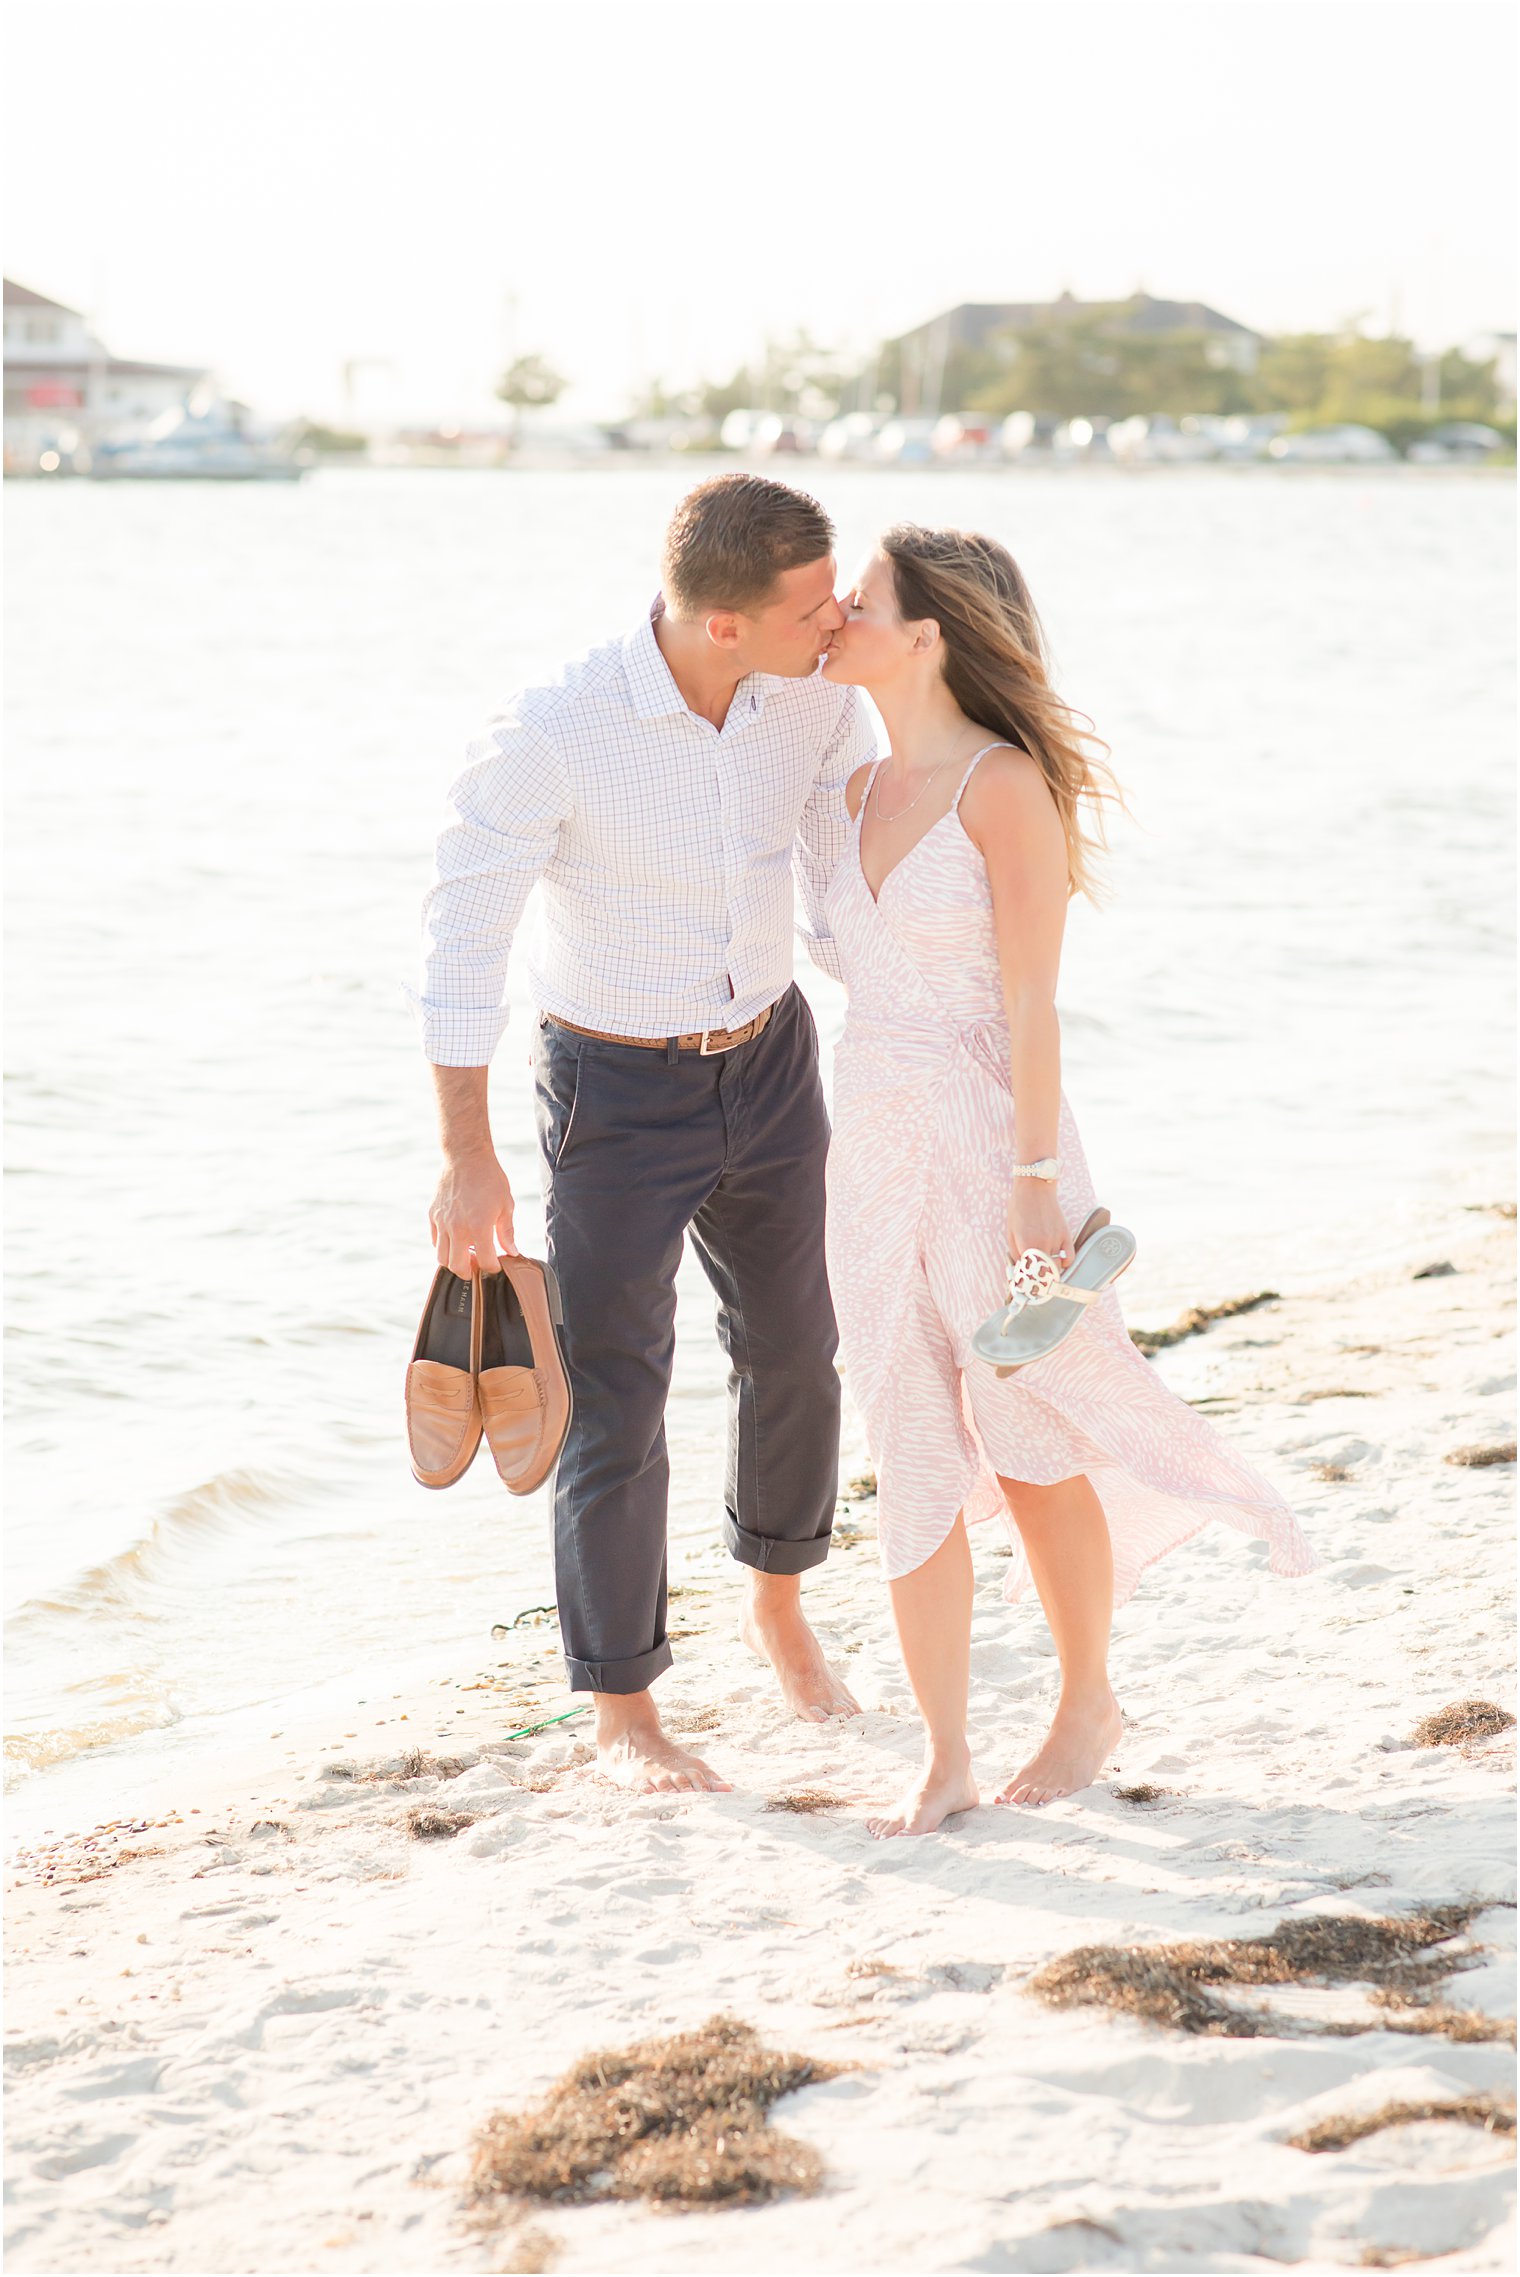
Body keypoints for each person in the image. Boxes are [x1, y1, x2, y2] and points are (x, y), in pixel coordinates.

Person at [820, 524, 1316, 1838]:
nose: (836, 612)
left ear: (926, 635)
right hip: (866, 1144)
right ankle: (941, 1753)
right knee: (902, 1427)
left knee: (1030, 1427)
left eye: (859, 598)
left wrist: (1037, 1180)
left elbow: (1034, 1002)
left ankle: (1087, 1698)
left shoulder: (1002, 784)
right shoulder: (844, 791)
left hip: (992, 1140)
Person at [417, 473, 871, 1794]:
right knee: (617, 1388)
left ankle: (777, 1599)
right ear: (721, 622)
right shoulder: (555, 729)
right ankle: (625, 1707)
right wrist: (466, 1151)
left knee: (799, 1349)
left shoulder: (816, 692)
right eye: (810, 603)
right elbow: (461, 937)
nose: (836, 616)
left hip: (773, 1059)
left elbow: (845, 869)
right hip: (613, 1091)